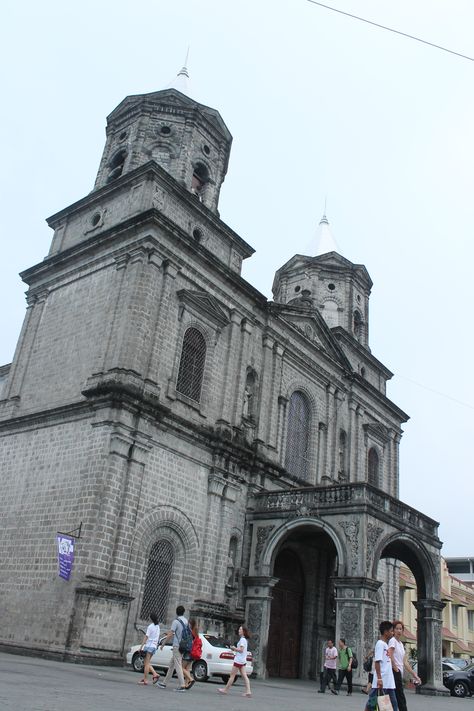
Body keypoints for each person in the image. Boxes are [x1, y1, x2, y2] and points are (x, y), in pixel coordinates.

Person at [365, 621, 398, 711]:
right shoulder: (380, 644)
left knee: (391, 706)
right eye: (391, 631)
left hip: (388, 682)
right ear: (386, 632)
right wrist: (379, 678)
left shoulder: (385, 645)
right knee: (372, 704)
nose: (393, 633)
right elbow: (377, 662)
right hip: (381, 682)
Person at [156, 605, 189, 692]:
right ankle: (164, 683)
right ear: (183, 612)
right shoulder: (186, 621)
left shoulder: (176, 621)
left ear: (176, 612)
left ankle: (182, 685)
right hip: (183, 645)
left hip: (177, 645)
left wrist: (163, 643)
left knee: (177, 665)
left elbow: (171, 634)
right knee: (171, 665)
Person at [389, 621, 421, 711]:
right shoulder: (393, 641)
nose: (399, 631)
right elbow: (390, 655)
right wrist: (395, 668)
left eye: (400, 629)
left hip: (399, 672)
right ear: (393, 630)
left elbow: (405, 662)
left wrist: (414, 674)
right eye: (397, 628)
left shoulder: (400, 644)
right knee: (400, 696)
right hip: (394, 672)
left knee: (396, 696)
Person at [218, 625, 252, 697]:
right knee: (244, 676)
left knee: (232, 676)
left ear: (243, 631)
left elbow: (241, 650)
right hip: (242, 660)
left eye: (240, 629)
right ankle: (248, 691)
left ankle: (225, 690)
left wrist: (234, 648)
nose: (239, 630)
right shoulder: (244, 640)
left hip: (238, 660)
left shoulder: (242, 640)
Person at [138, 611, 160, 685]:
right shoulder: (158, 626)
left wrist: (141, 646)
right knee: (147, 663)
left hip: (149, 646)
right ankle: (154, 674)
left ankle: (146, 679)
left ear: (151, 618)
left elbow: (146, 637)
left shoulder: (150, 626)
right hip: (154, 646)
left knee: (146, 664)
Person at [182, 618, 201, 690]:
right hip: (193, 653)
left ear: (190, 623)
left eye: (188, 623)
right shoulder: (196, 632)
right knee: (187, 669)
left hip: (188, 651)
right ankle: (186, 684)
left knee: (181, 667)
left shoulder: (190, 632)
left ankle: (191, 679)